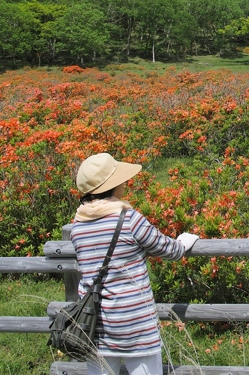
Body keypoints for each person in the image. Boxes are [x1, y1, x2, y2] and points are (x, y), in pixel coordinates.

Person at [70, 152, 199, 375]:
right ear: (111, 187)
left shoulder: (78, 225)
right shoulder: (128, 219)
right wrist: (184, 242)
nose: (124, 183)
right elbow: (169, 250)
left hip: (94, 324)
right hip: (135, 324)